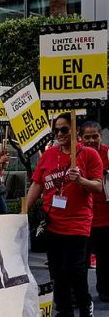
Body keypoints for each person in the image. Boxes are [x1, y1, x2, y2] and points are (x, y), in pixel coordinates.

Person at [25, 113, 103, 317]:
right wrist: (23, 212)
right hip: (53, 224)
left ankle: (85, 306)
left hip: (78, 224)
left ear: (75, 130)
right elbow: (37, 183)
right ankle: (64, 310)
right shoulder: (49, 154)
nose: (60, 134)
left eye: (64, 129)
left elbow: (98, 186)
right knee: (57, 273)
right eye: (56, 130)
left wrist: (81, 181)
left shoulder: (88, 155)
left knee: (75, 271)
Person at [79, 121, 109, 302]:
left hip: (105, 217)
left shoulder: (108, 154)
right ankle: (79, 294)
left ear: (100, 136)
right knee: (80, 261)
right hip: (83, 218)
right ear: (80, 138)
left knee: (105, 260)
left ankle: (105, 291)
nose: (91, 140)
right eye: (87, 137)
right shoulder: (76, 155)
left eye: (95, 136)